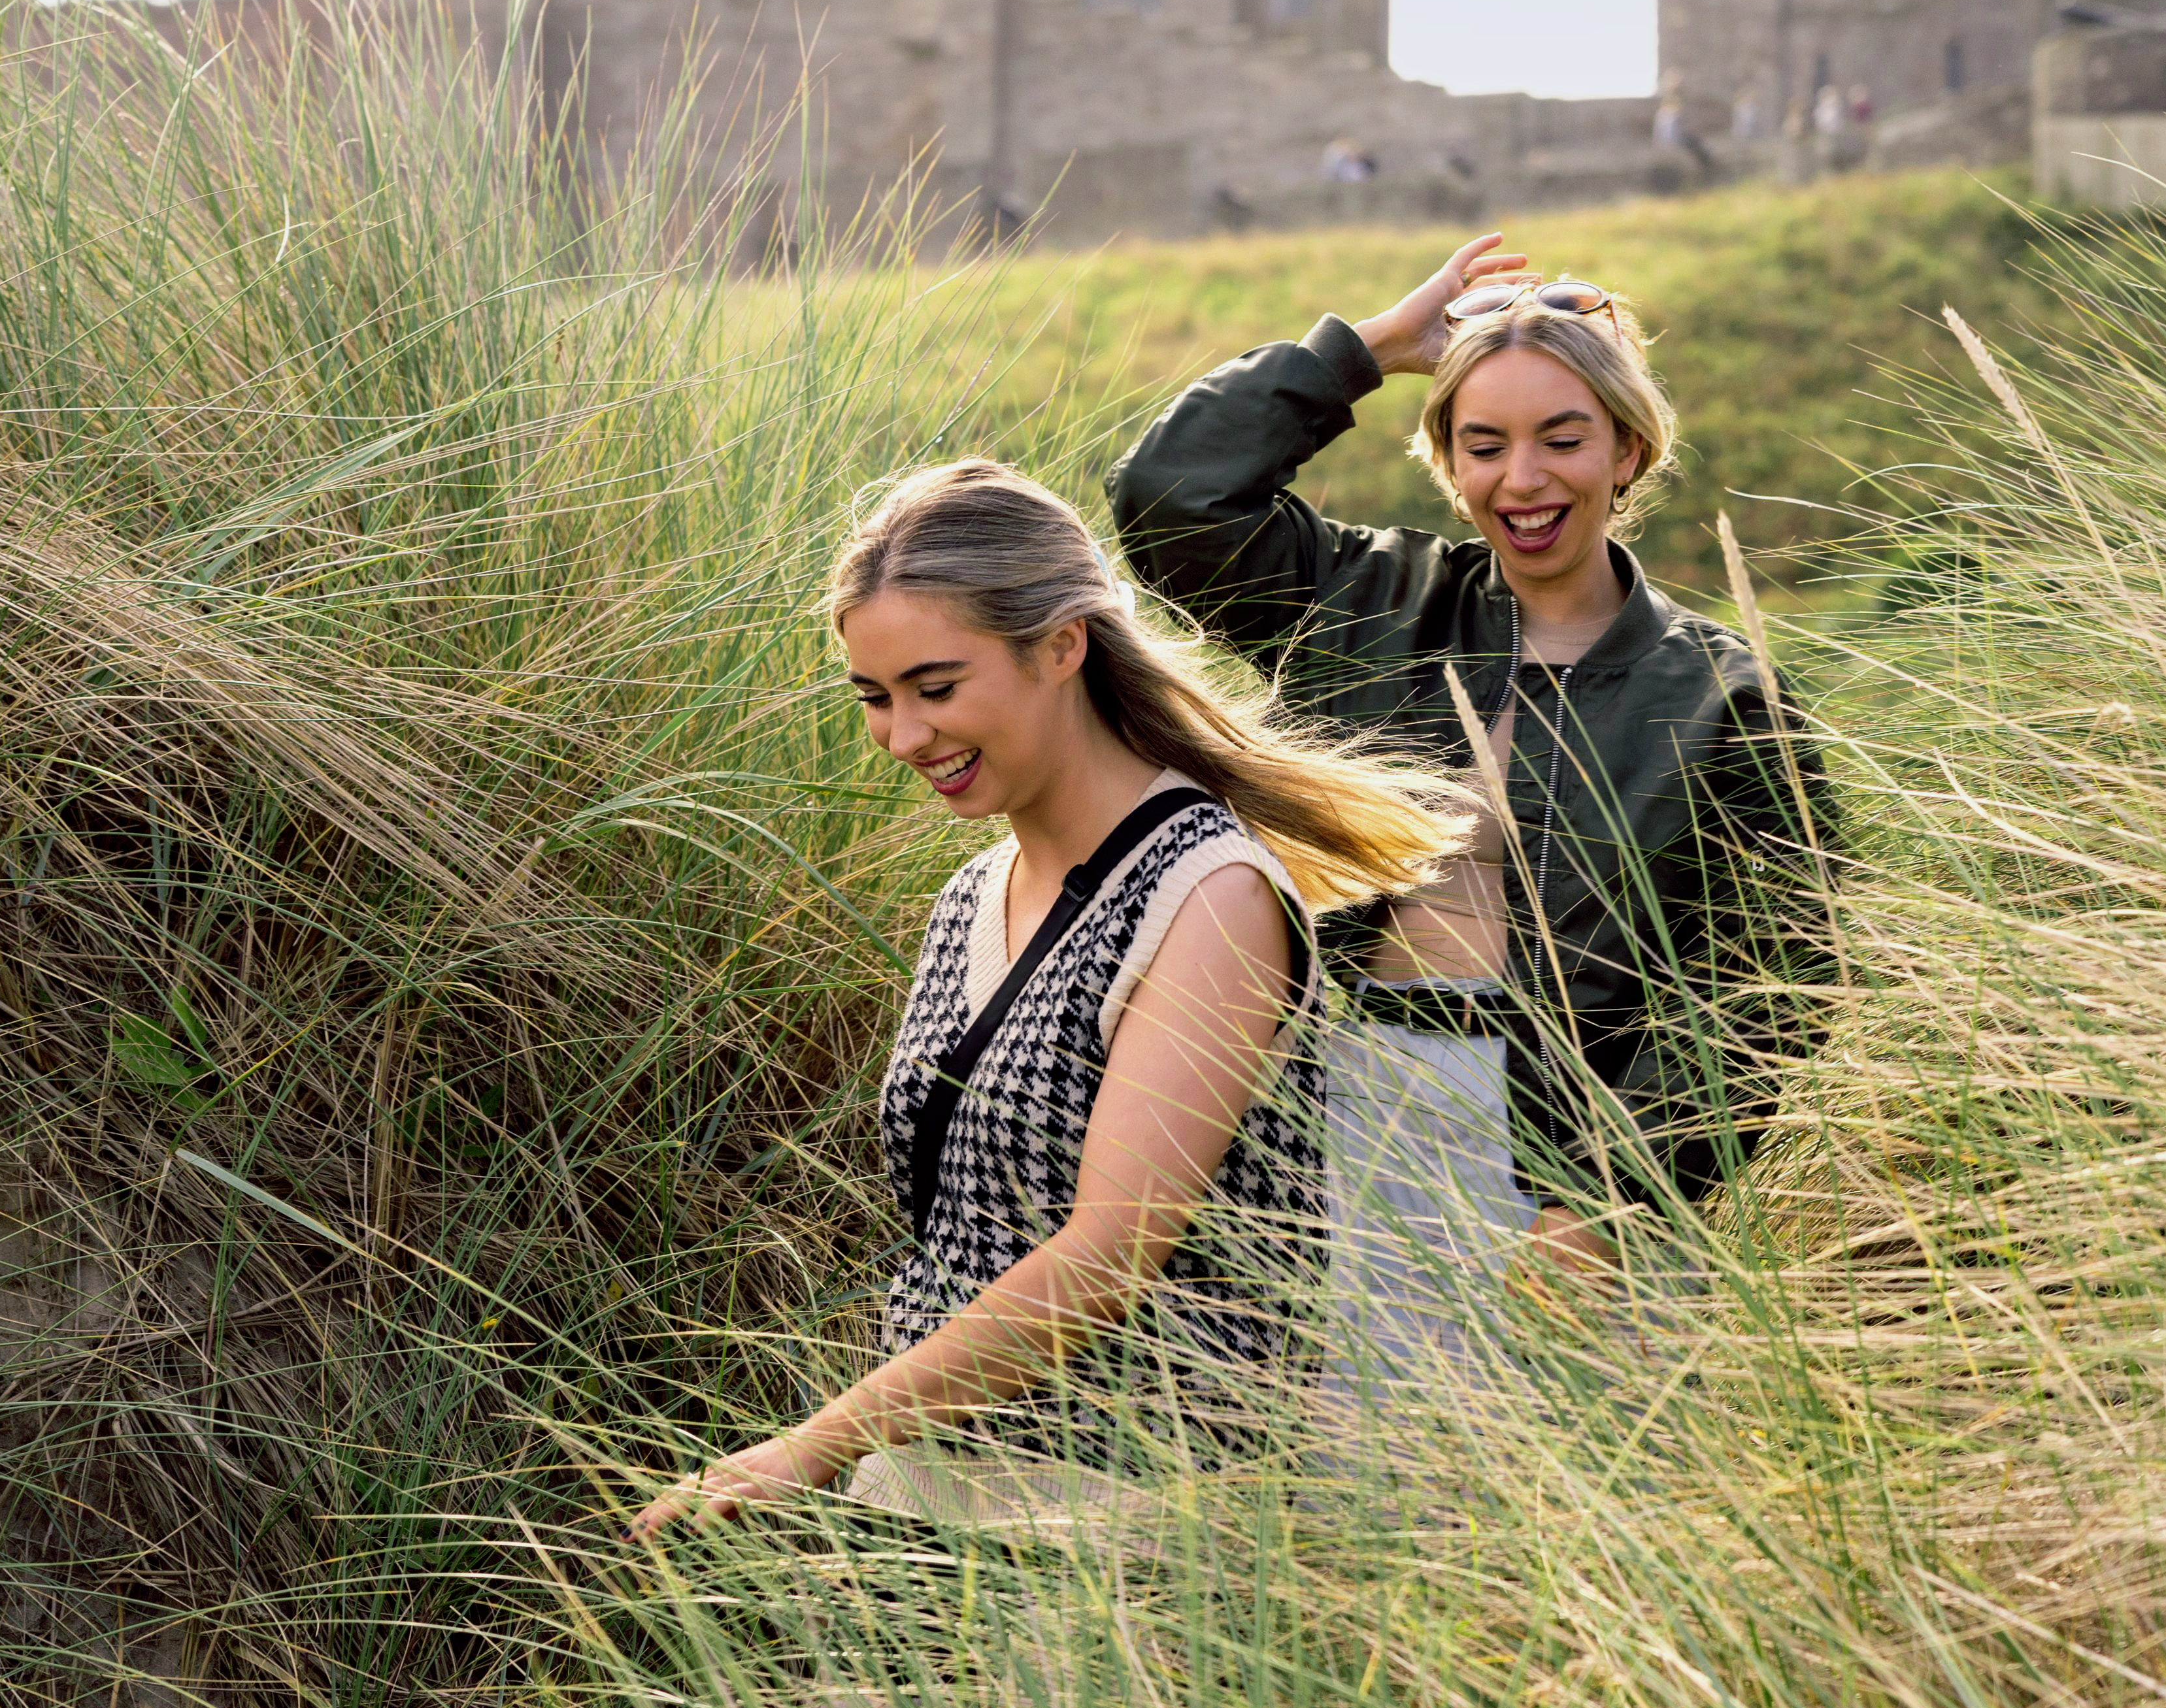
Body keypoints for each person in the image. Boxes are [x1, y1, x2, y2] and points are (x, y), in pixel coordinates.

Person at [635, 462, 1465, 1535]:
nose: (903, 736)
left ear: (1061, 646)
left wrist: (809, 1446)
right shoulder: (973, 895)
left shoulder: (1207, 896)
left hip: (1130, 1519)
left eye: (937, 688)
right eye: (875, 699)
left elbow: (1106, 1256)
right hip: (926, 1498)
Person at [1105, 237, 1830, 1310]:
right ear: (1447, 460)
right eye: (1482, 444)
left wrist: (1608, 1197)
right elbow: (1171, 496)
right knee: (1312, 1467)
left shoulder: (1723, 700)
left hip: (1562, 1151)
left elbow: (1767, 982)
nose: (1521, 479)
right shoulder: (1359, 600)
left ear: (1627, 451)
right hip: (1312, 1103)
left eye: (1562, 438)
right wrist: (1369, 349)